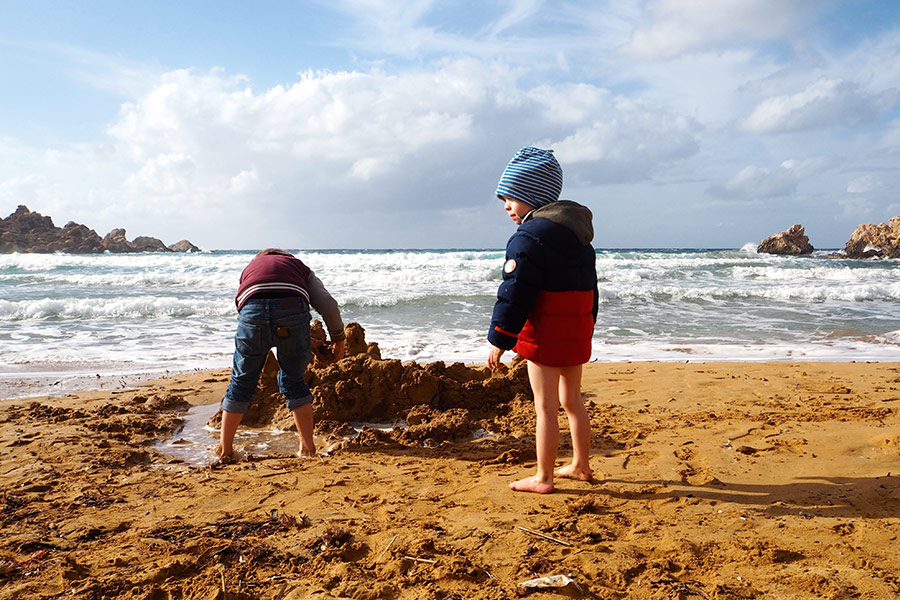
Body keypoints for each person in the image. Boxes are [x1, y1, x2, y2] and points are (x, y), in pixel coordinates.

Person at [487, 147, 598, 494]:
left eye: (511, 198)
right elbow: (591, 290)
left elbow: (516, 291)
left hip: (546, 334)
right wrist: (588, 327)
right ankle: (581, 464)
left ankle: (543, 478)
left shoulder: (528, 237)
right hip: (576, 330)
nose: (506, 206)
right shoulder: (578, 236)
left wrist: (499, 339)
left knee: (545, 407)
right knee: (572, 401)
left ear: (531, 196)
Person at [216, 248, 346, 463]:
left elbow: (254, 310)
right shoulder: (299, 268)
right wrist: (339, 339)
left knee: (241, 381)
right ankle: (307, 449)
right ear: (286, 258)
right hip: (291, 309)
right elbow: (329, 306)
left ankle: (225, 450)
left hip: (252, 312)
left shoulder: (251, 268)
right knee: (293, 380)